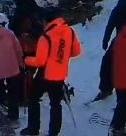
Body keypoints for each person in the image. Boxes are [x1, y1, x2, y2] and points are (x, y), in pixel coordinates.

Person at [22, 7, 82, 136]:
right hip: (60, 75)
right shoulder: (70, 32)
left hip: (45, 75)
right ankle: (53, 133)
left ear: (46, 20)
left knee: (33, 98)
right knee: (56, 104)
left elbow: (40, 61)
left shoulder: (46, 37)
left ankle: (33, 129)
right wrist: (62, 56)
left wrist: (26, 59)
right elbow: (76, 51)